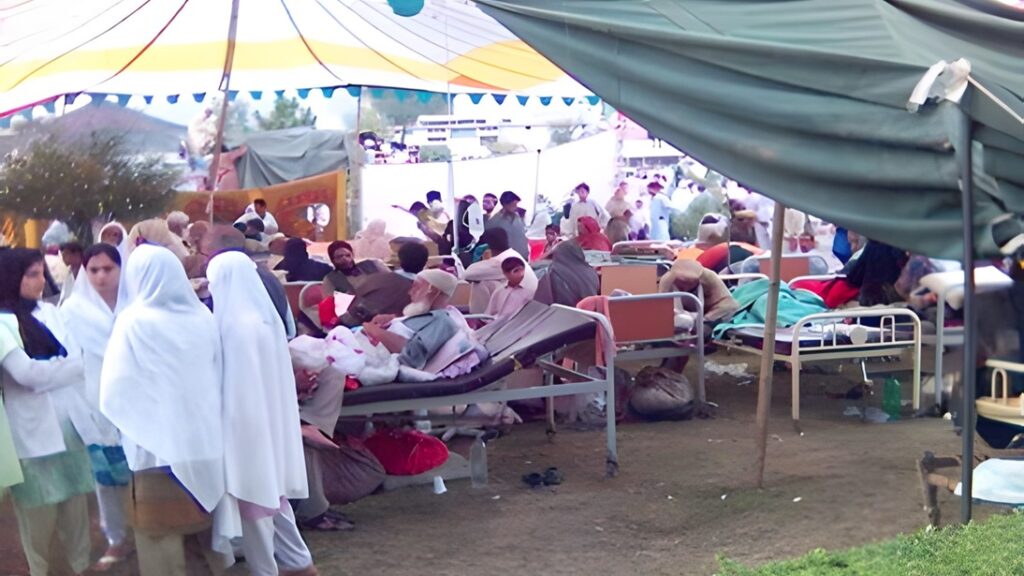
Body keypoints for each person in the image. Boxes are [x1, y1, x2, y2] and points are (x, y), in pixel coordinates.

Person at [101, 245, 225, 575]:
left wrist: (138, 423)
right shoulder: (203, 317)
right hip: (204, 442)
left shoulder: (132, 321)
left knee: (160, 541)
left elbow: (114, 388)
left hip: (153, 448)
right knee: (203, 535)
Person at [206, 252, 315, 576]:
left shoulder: (235, 329)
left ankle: (266, 569)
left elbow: (236, 389)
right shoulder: (265, 323)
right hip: (272, 426)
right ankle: (300, 563)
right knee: (274, 500)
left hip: (246, 429)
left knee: (254, 502)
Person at [1, 248, 94, 576]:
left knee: (76, 514)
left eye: (42, 272)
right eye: (32, 274)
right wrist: (73, 367)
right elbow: (26, 375)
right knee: (38, 523)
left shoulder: (50, 314)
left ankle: (81, 569)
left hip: (69, 427)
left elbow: (72, 354)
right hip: (31, 436)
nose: (42, 281)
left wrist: (60, 368)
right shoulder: (2, 322)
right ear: (11, 278)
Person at [60, 243, 134, 570]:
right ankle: (116, 537)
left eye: (108, 269)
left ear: (121, 269)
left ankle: (149, 530)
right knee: (106, 475)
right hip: (96, 397)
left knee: (142, 469)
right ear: (85, 273)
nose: (101, 276)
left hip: (138, 397)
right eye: (94, 270)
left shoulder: (137, 305)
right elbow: (70, 359)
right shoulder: (73, 310)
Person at [362, 270, 483, 374]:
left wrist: (376, 332)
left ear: (434, 291)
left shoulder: (443, 321)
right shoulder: (426, 316)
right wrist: (390, 323)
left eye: (417, 286)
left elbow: (412, 357)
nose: (410, 292)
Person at [337, 242, 428, 327]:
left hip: (348, 325)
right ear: (425, 262)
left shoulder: (375, 278)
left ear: (399, 259)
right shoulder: (425, 292)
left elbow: (346, 300)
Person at [464, 228, 539, 314]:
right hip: (530, 304)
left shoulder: (500, 261)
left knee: (480, 284)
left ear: (488, 245)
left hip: (520, 308)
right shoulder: (512, 254)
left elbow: (467, 274)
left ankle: (479, 319)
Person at [534, 241, 600, 307]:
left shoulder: (553, 273)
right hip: (590, 313)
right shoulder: (591, 272)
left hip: (564, 313)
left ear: (558, 255)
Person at [485, 256, 534, 322]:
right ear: (505, 274)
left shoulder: (530, 291)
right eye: (515, 271)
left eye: (521, 269)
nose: (520, 274)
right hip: (498, 324)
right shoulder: (500, 291)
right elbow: (490, 313)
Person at [484, 191, 529, 259]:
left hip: (522, 257)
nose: (516, 207)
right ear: (505, 204)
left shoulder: (518, 218)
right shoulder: (496, 221)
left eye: (516, 204)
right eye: (513, 205)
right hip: (505, 259)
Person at [57, 241, 84, 306]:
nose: (63, 257)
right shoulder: (70, 272)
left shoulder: (86, 273)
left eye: (65, 254)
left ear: (77, 254)